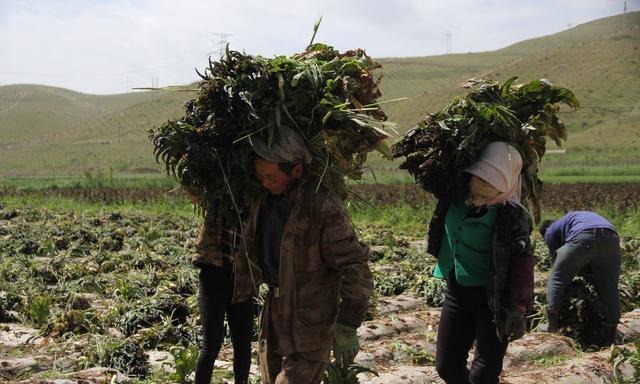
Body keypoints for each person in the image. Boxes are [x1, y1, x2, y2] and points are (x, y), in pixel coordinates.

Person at [231, 125, 374, 384]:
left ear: (296, 170)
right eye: (259, 175)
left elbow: (355, 266)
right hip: (273, 318)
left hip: (309, 324)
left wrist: (347, 324)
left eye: (270, 176)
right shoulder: (262, 202)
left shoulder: (321, 209)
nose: (264, 181)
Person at [427, 141, 535, 384]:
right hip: (458, 290)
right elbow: (432, 175)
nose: (479, 199)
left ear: (505, 187)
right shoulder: (452, 195)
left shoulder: (513, 217)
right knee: (447, 367)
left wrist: (519, 309)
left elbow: (523, 263)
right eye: (477, 188)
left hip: (494, 299)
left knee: (484, 374)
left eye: (488, 194)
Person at [187, 199, 254, 384]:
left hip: (242, 280)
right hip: (213, 276)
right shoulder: (217, 197)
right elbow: (194, 188)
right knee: (211, 345)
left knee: (243, 345)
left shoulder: (255, 204)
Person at [538, 211, 621, 345]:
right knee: (609, 287)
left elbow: (557, 263)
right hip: (611, 236)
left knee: (556, 279)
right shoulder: (572, 220)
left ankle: (551, 325)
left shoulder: (550, 231)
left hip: (584, 235)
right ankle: (611, 332)